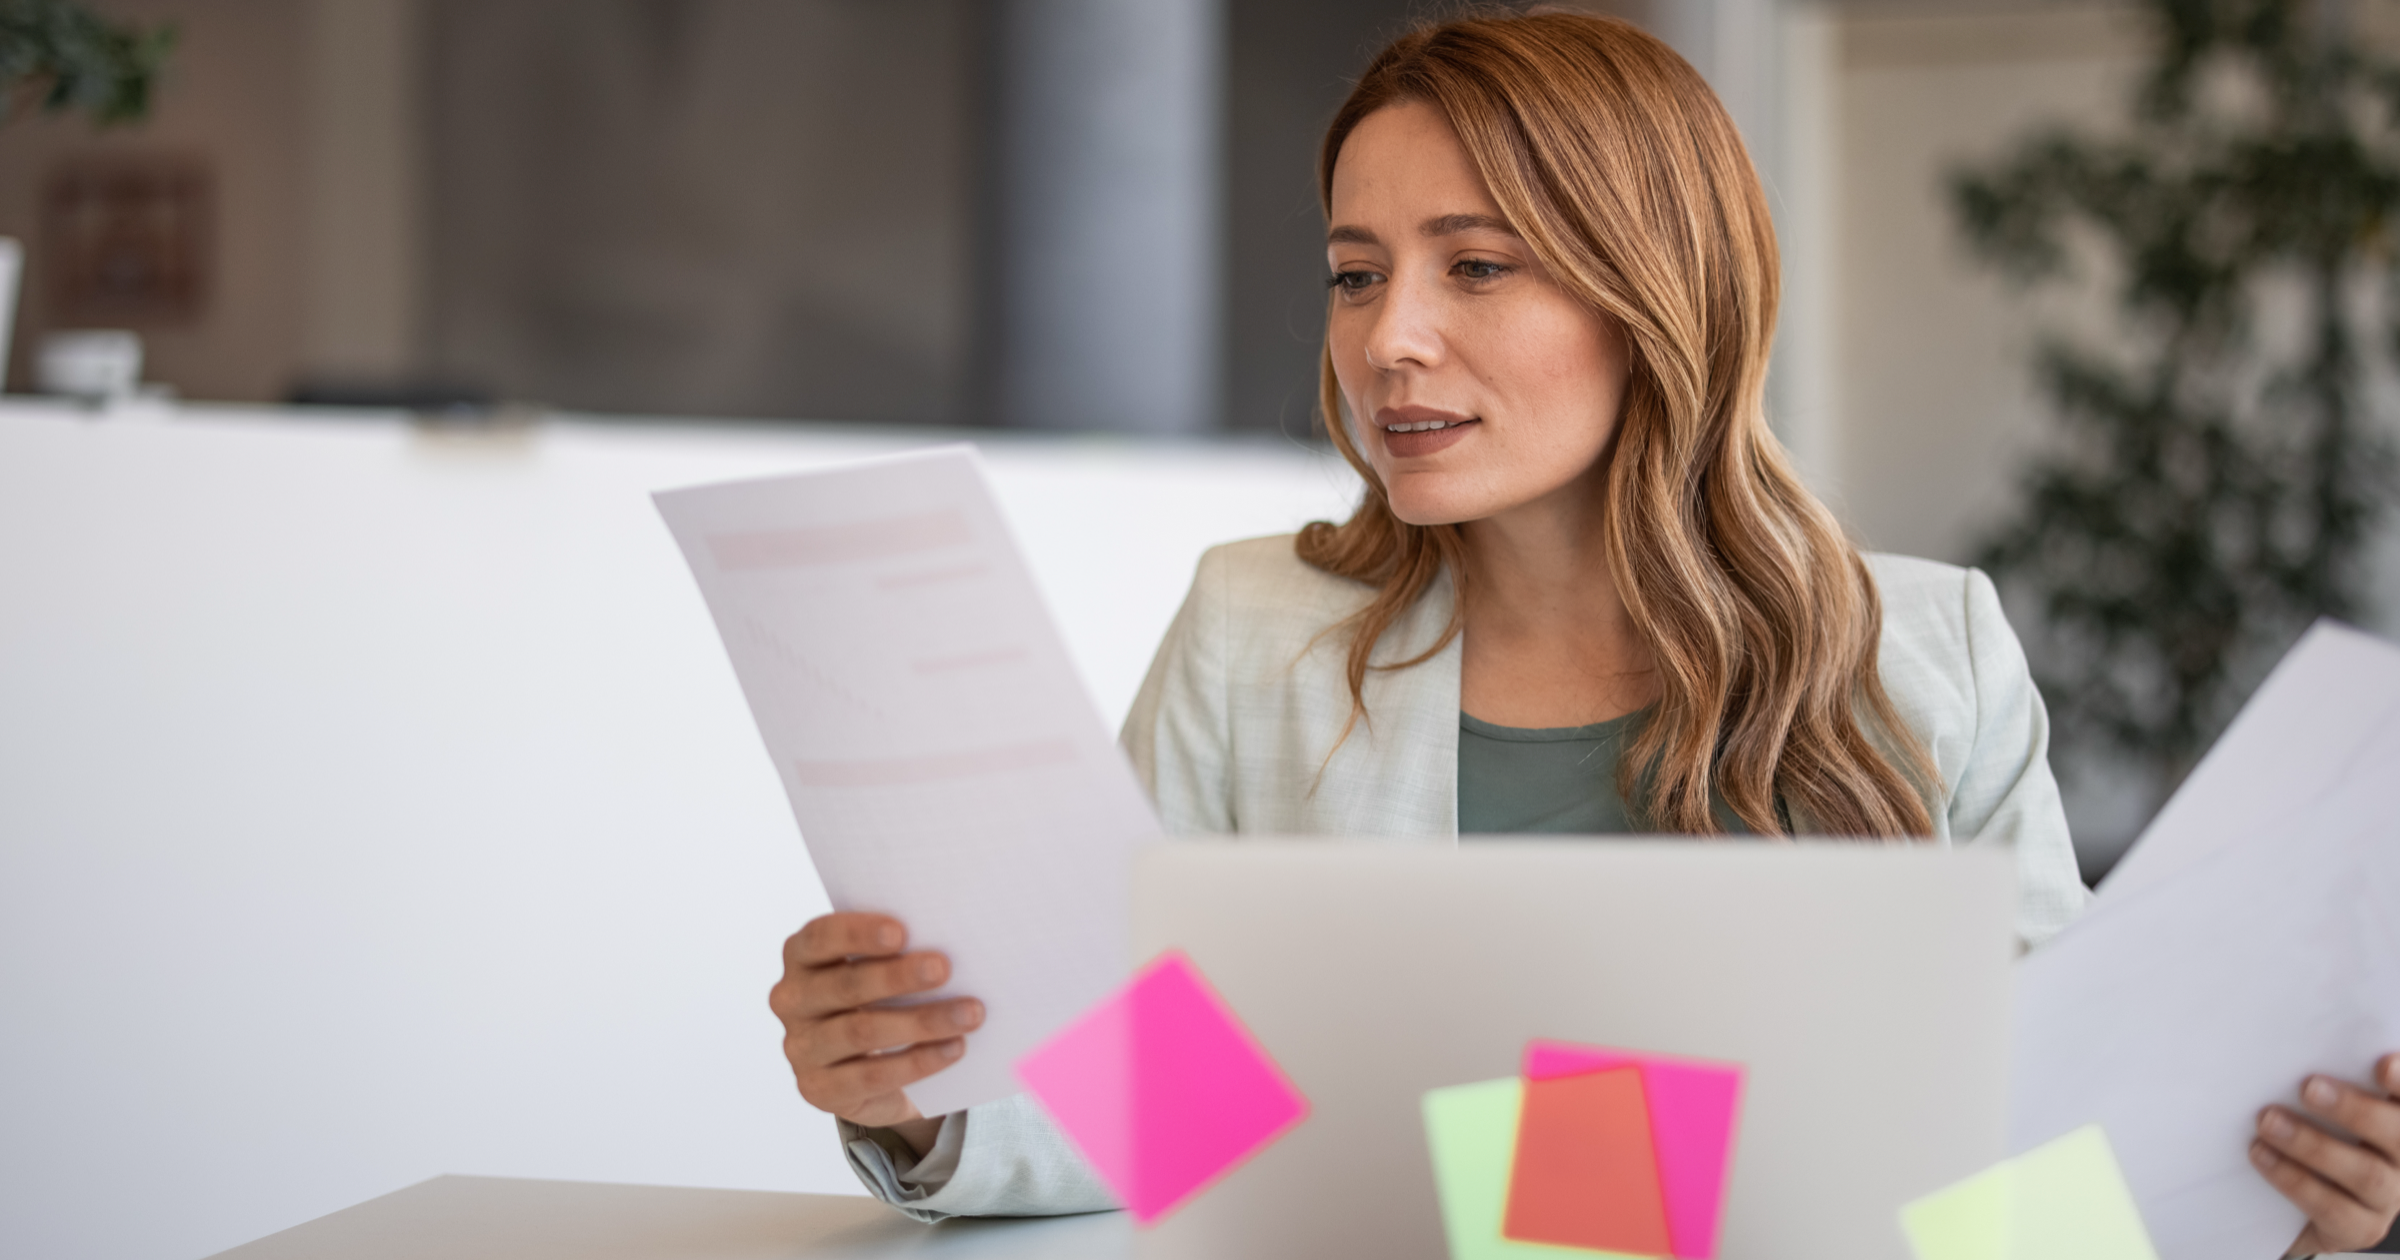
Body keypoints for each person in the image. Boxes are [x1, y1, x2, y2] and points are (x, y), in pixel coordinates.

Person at [767, 12, 2400, 1252]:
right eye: (1355, 275)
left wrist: (2295, 1200)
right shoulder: (1255, 633)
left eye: (1476, 266)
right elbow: (1174, 1111)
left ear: (1656, 299)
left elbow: (2032, 1160)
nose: (1390, 341)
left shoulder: (1925, 653)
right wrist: (922, 1098)